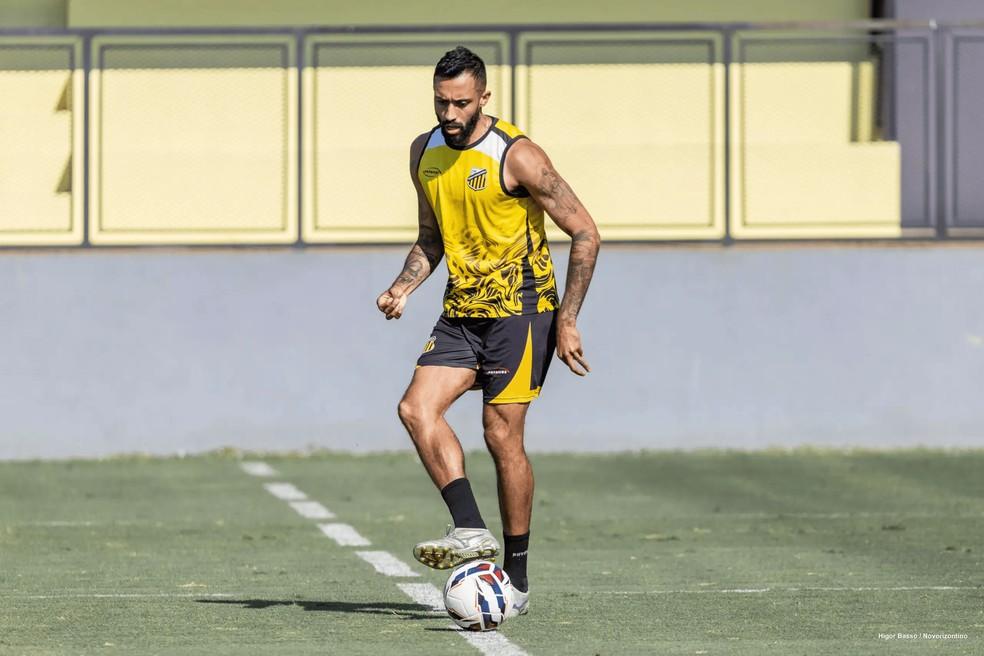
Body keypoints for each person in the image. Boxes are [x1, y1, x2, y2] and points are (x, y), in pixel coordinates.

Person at [376, 45, 600, 618]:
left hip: (522, 312)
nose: (448, 114)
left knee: (501, 438)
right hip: (461, 311)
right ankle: (471, 529)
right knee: (415, 409)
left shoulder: (517, 155)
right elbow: (431, 238)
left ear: (483, 99)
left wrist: (568, 318)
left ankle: (517, 581)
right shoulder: (422, 153)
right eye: (440, 102)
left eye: (460, 103)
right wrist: (403, 286)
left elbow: (585, 232)